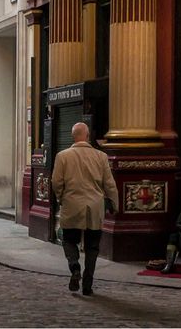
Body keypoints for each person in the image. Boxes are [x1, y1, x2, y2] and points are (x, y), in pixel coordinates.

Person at [51, 122, 118, 296]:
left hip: (72, 204)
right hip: (94, 207)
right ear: (88, 136)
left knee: (69, 240)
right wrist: (114, 203)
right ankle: (88, 284)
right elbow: (109, 183)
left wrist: (61, 197)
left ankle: (74, 267)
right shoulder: (101, 156)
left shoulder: (62, 156)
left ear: (73, 136)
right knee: (92, 246)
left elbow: (56, 182)